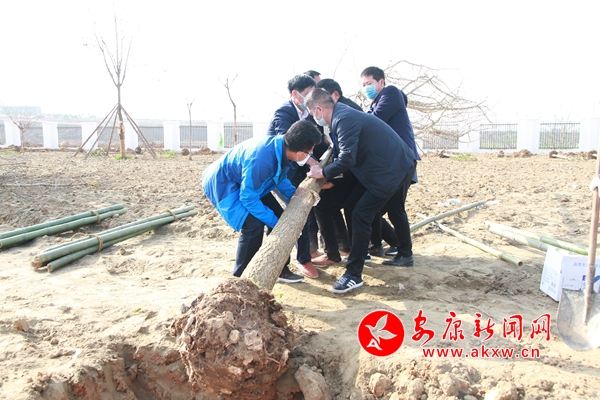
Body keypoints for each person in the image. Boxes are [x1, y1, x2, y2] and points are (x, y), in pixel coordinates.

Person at [305, 89, 416, 294]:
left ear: (319, 109)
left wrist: (323, 172)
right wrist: (330, 177)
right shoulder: (342, 115)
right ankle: (361, 252)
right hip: (382, 168)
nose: (314, 118)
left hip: (390, 171)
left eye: (312, 113)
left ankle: (353, 274)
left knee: (361, 213)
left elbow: (347, 158)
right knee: (351, 205)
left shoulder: (343, 119)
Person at [202, 120, 322, 283]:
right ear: (299, 152)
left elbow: (279, 177)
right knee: (253, 226)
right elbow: (248, 198)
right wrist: (274, 223)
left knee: (280, 217)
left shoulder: (282, 147)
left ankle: (280, 269)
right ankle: (239, 281)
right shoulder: (261, 160)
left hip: (250, 183)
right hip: (224, 183)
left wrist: (295, 195)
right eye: (309, 151)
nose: (310, 155)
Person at [360, 66, 420, 263]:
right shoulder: (374, 103)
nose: (366, 88)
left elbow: (374, 120)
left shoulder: (392, 93)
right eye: (363, 84)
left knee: (395, 209)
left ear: (381, 82)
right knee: (381, 209)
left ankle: (405, 254)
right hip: (391, 163)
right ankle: (382, 245)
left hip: (401, 161)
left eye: (369, 83)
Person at [267, 74, 322, 278]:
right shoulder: (283, 112)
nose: (311, 98)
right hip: (280, 172)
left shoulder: (307, 113)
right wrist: (313, 162)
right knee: (295, 210)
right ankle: (299, 260)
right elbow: (291, 143)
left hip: (296, 170)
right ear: (295, 94)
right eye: (307, 93)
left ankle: (307, 254)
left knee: (305, 209)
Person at [310, 78, 362, 266]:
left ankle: (351, 254)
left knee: (351, 209)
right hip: (353, 171)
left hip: (358, 173)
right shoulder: (341, 114)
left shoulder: (344, 114)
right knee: (334, 206)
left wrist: (327, 174)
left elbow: (347, 156)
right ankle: (345, 250)